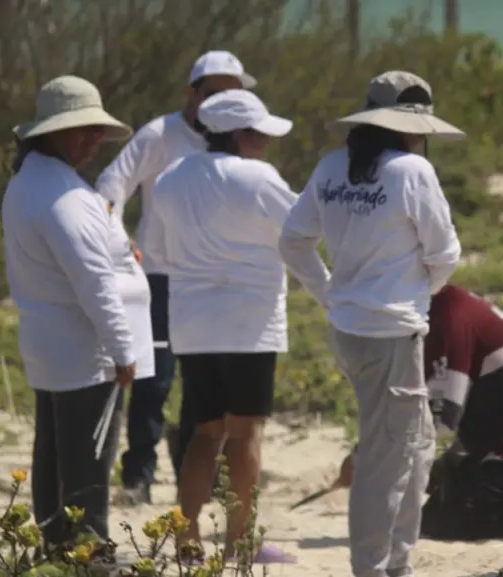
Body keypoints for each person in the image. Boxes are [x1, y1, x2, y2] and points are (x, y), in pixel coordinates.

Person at [280, 70, 462, 577]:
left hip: (352, 331)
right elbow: (445, 253)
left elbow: (292, 241)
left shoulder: (331, 166)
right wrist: (415, 293)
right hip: (391, 335)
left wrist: (331, 293)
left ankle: (397, 561)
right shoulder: (412, 172)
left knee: (417, 445)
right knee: (385, 461)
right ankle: (373, 568)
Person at [96, 50, 257, 504]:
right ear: (191, 92)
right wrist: (118, 242)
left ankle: (196, 479)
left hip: (215, 281)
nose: (220, 103)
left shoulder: (241, 139)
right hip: (161, 278)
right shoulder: (160, 135)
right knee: (154, 380)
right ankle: (139, 475)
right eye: (211, 93)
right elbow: (110, 188)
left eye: (232, 94)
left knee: (207, 384)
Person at [335, 283, 503, 541]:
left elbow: (442, 417)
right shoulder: (452, 306)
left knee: (441, 520)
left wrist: (366, 456)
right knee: (441, 499)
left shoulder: (449, 315)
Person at [150, 89, 296, 564]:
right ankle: (239, 541)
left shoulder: (170, 179)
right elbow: (301, 231)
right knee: (246, 433)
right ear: (240, 134)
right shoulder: (258, 177)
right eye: (259, 134)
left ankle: (187, 541)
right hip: (249, 324)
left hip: (193, 325)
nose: (266, 144)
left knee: (204, 431)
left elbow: (155, 246)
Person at [2, 75, 138, 552]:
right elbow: (95, 285)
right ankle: (88, 551)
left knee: (54, 452)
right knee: (87, 457)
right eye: (82, 128)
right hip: (83, 350)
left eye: (96, 128)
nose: (94, 138)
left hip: (44, 343)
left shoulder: (25, 183)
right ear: (51, 132)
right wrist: (124, 351)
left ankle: (55, 545)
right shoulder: (68, 196)